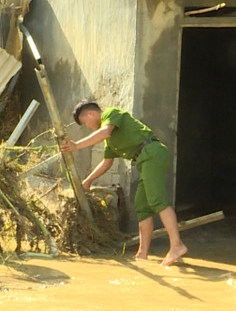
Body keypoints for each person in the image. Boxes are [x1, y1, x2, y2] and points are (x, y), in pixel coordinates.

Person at [60, 100, 187, 266]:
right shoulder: (111, 141)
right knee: (142, 206)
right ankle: (142, 254)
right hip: (144, 160)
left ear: (90, 114)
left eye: (85, 123)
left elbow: (104, 132)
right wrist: (88, 181)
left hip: (152, 153)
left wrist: (77, 145)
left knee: (157, 200)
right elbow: (107, 163)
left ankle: (176, 244)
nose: (89, 127)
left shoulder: (111, 114)